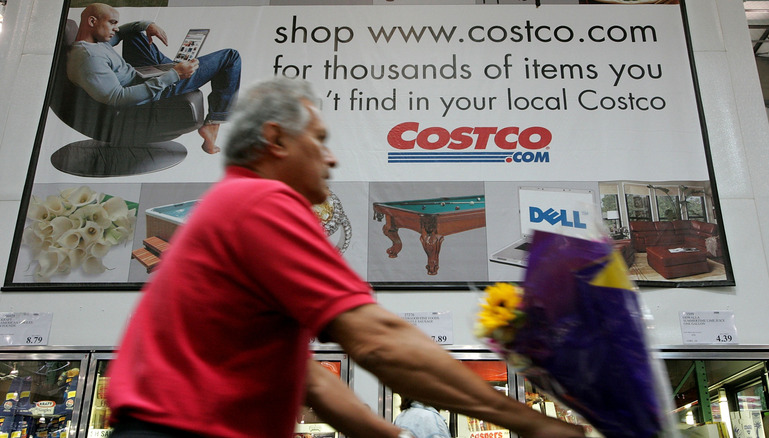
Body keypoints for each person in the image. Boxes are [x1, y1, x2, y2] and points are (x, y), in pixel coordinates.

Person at [105, 77, 586, 438]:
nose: (331, 158)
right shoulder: (262, 202)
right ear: (275, 140)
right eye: (318, 139)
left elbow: (309, 379)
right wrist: (534, 424)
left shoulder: (230, 205)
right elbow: (376, 340)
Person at [67, 3, 241, 154]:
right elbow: (117, 97)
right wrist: (173, 75)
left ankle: (172, 65)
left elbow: (123, 32)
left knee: (134, 34)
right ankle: (213, 124)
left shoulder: (93, 44)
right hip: (153, 90)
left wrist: (147, 25)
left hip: (141, 76)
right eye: (112, 23)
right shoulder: (89, 59)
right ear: (92, 21)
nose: (116, 28)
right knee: (230, 57)